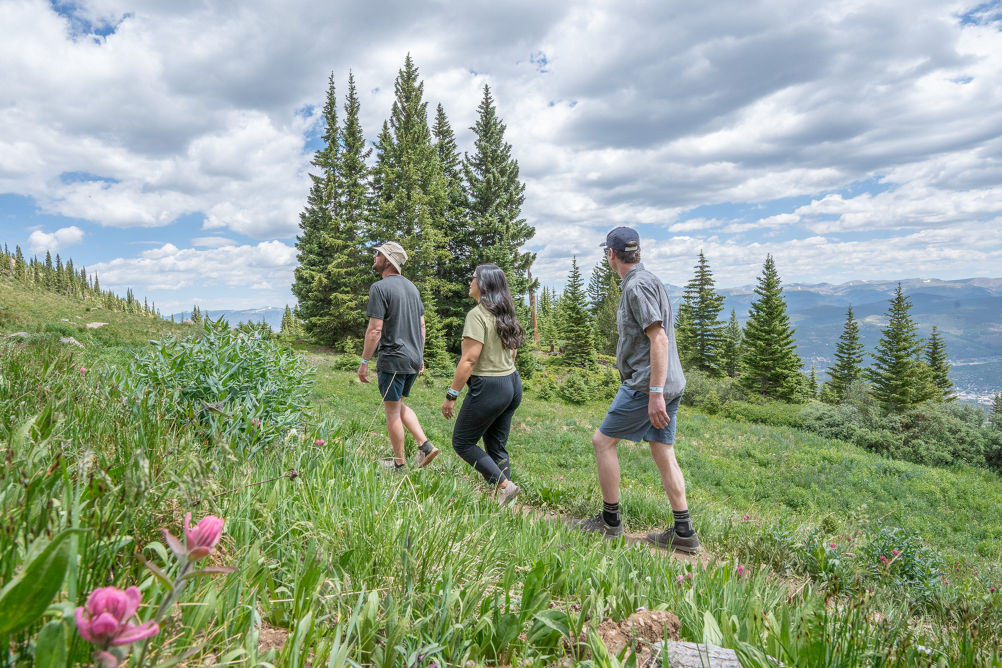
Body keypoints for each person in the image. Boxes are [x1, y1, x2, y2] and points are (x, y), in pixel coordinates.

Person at [577, 227, 700, 553]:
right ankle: (683, 532)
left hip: (647, 386)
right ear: (639, 252)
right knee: (662, 450)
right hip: (670, 383)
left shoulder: (636, 286)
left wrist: (655, 393)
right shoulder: (650, 280)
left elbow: (657, 338)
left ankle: (609, 522)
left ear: (611, 255)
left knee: (602, 442)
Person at [441, 264, 524, 506]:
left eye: (474, 278)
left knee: (462, 442)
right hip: (512, 383)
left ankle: (504, 486)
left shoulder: (477, 315)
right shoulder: (504, 313)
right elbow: (514, 352)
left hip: (489, 387)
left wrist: (452, 394)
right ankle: (504, 500)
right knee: (496, 445)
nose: (470, 281)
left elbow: (468, 360)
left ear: (484, 284)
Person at [358, 241, 440, 471]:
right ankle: (424, 446)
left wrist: (364, 362)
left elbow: (375, 329)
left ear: (388, 261)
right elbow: (422, 326)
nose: (375, 256)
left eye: (379, 254)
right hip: (413, 358)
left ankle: (399, 465)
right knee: (399, 404)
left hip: (393, 358)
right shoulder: (412, 288)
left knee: (392, 410)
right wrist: (420, 355)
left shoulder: (379, 288)